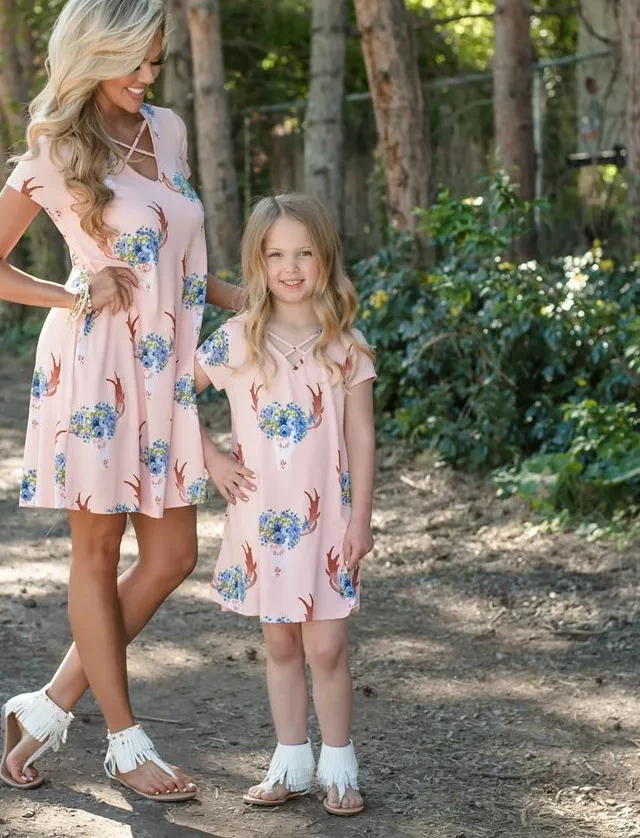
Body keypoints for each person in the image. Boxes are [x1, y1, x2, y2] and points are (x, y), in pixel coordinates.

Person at [0, 0, 241, 802]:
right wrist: (75, 290)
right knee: (99, 551)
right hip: (93, 370)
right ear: (97, 54)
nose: (148, 76)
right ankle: (123, 741)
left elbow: (186, 265)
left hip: (165, 370)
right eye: (135, 62)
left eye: (157, 61)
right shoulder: (53, 148)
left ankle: (46, 709)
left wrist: (258, 300)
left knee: (174, 554)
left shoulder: (169, 131)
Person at [194, 193, 376, 816]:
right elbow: (168, 396)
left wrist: (361, 519)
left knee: (326, 647)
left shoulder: (345, 343)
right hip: (262, 519)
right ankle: (291, 762)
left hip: (327, 520)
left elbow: (360, 436)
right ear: (257, 262)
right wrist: (212, 457)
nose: (291, 267)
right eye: (276, 255)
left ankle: (340, 768)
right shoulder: (238, 340)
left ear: (325, 257)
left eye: (304, 253)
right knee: (279, 647)